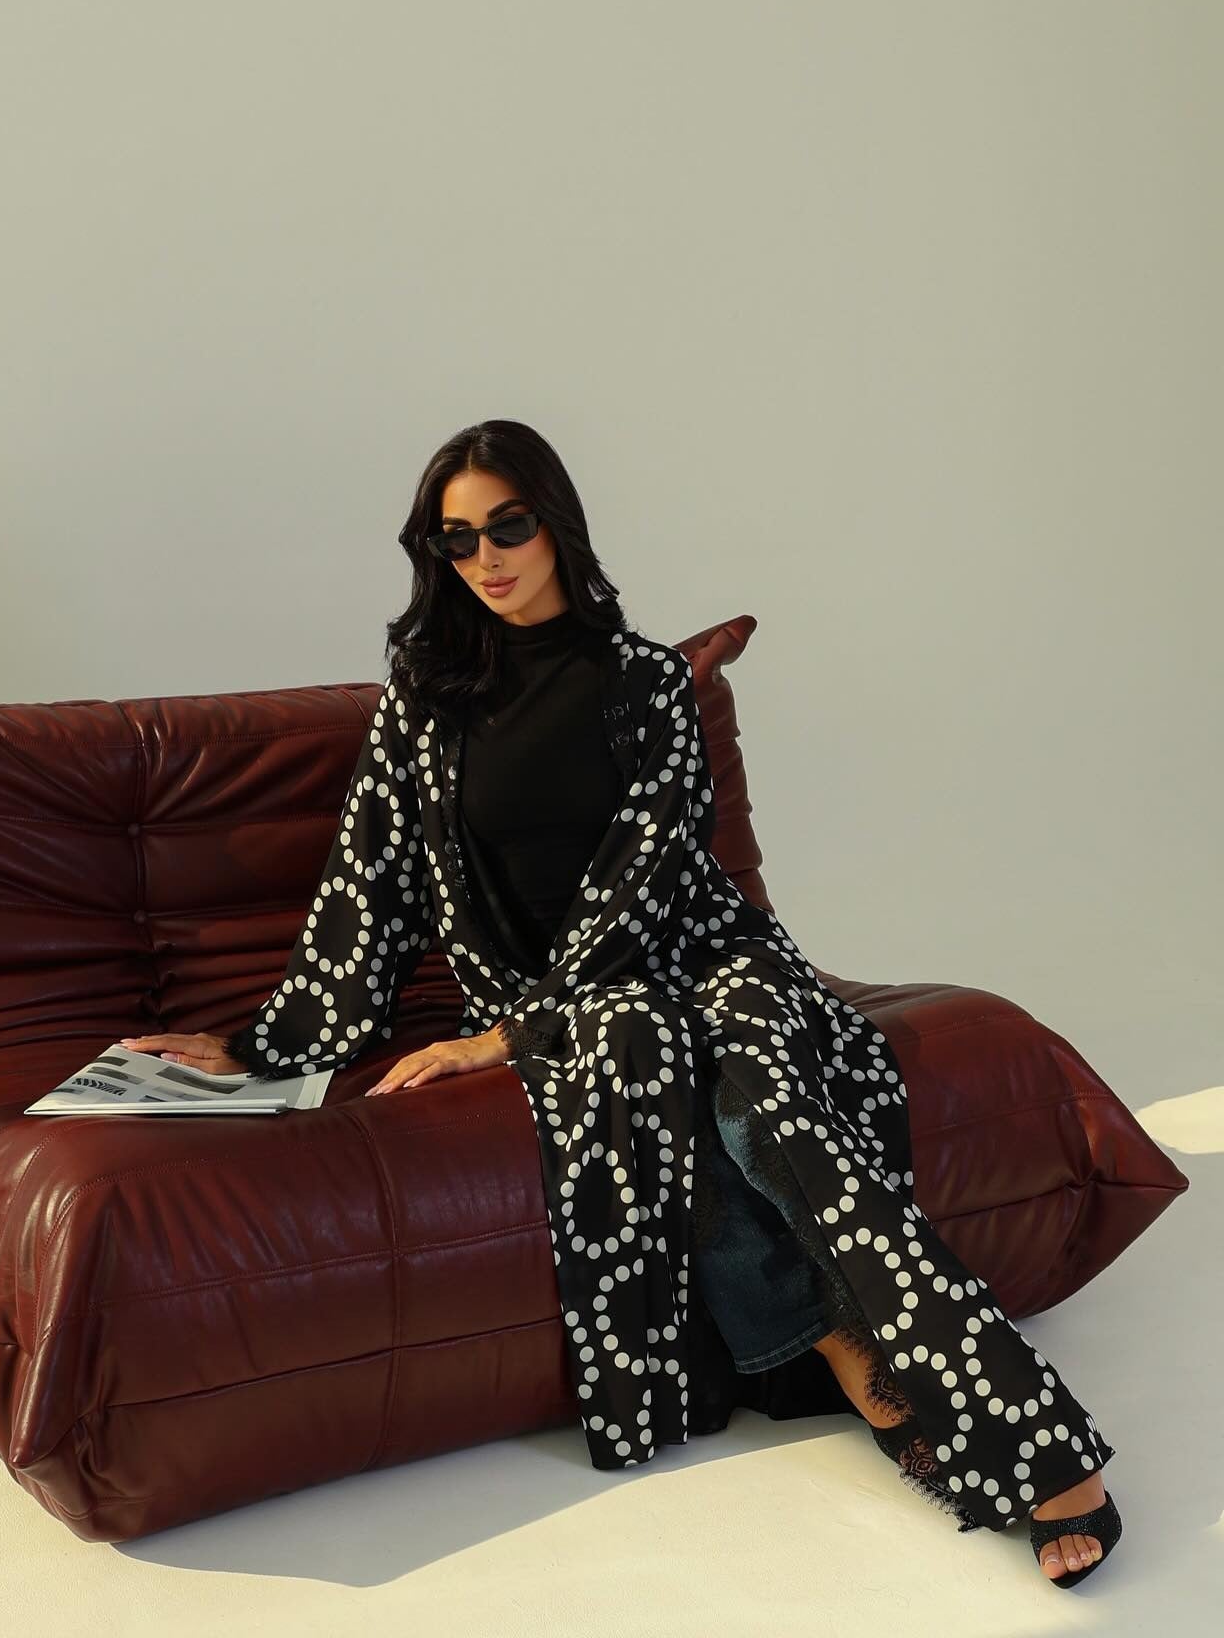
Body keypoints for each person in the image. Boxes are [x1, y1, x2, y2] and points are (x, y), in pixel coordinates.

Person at [122, 417, 1121, 1588]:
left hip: (701, 953)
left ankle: (1024, 1430)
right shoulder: (424, 704)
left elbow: (648, 884)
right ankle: (853, 1355)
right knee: (637, 1042)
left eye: (508, 527)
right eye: (457, 541)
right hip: (580, 998)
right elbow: (370, 891)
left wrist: (506, 1039)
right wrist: (259, 1047)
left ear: (556, 523)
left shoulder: (646, 683)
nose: (487, 558)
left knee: (767, 1096)